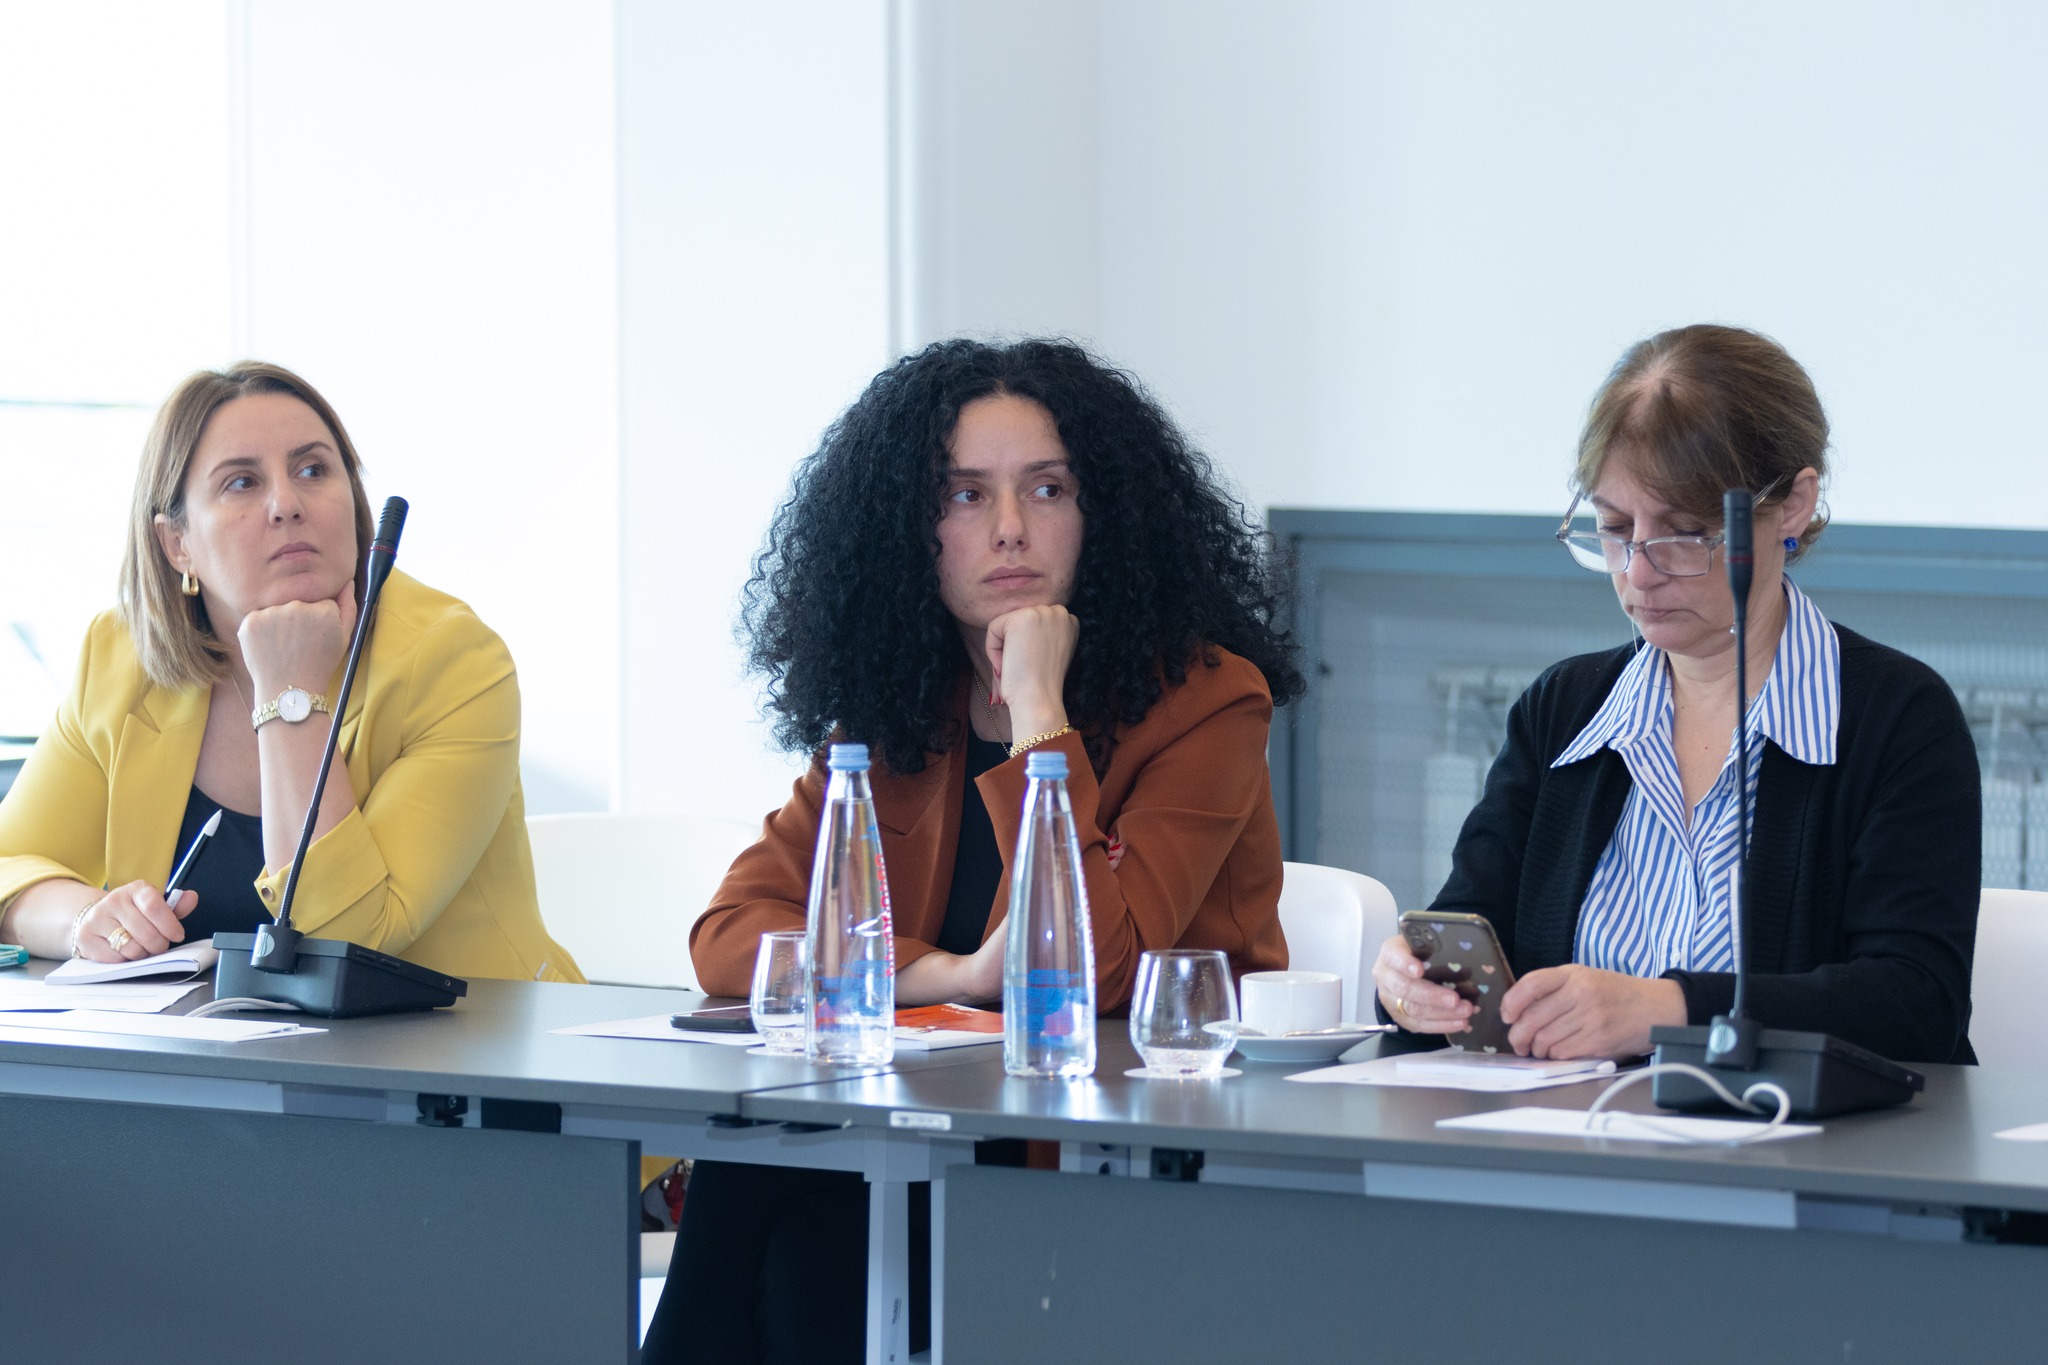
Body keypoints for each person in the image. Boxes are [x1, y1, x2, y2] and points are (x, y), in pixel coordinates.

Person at [643, 337, 1303, 1364]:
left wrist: (1037, 705)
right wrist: (949, 975)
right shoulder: (898, 708)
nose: (1008, 528)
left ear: (1101, 514)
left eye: (1046, 489)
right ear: (910, 532)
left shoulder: (1207, 700)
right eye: (964, 495)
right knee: (767, 1164)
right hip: (917, 1137)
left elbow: (1097, 972)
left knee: (800, 1216)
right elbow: (733, 939)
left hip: (1115, 1158)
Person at [1372, 324, 1977, 1066]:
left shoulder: (1896, 717)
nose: (1638, 572)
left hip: (1790, 1135)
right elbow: (1473, 931)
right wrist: (1413, 984)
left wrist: (1669, 1009)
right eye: (1614, 528)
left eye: (1686, 532)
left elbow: (1916, 1002)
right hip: (1566, 1127)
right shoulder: (1564, 709)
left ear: (1793, 505)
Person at [0, 362, 581, 984]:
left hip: (464, 1038)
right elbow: (11, 865)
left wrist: (289, 692)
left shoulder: (454, 659)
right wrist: (84, 920)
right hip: (204, 1036)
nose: (286, 504)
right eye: (242, 482)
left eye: (312, 470)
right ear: (177, 545)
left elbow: (349, 937)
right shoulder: (122, 655)